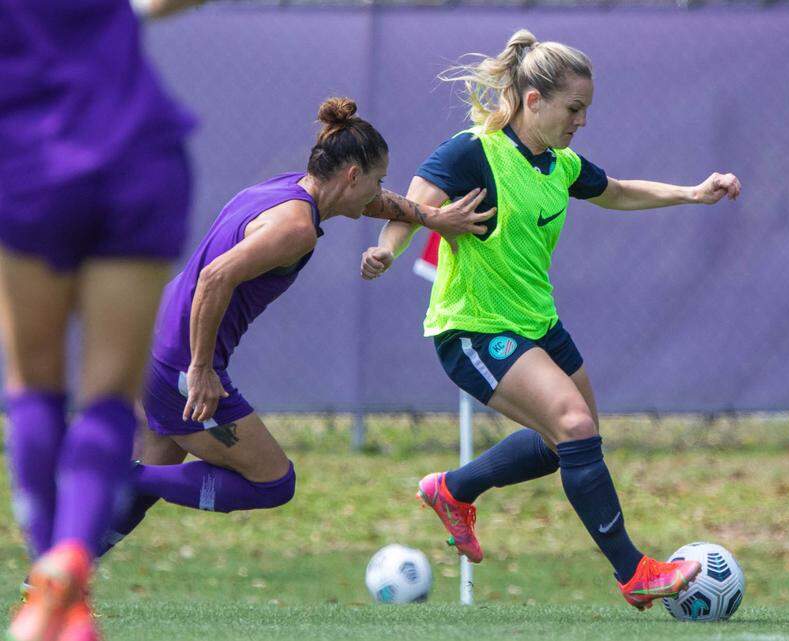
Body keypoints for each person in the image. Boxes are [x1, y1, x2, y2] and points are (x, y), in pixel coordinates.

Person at [361, 29, 741, 610]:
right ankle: (633, 572)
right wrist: (389, 249)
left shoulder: (559, 165)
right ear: (533, 100)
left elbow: (616, 191)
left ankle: (453, 490)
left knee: (571, 436)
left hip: (538, 323)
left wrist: (693, 193)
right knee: (574, 426)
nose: (582, 121)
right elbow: (411, 204)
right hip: (474, 327)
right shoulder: (472, 151)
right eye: (574, 108)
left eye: (586, 109)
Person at [95, 97, 492, 559]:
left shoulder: (288, 189)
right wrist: (201, 368)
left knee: (156, 472)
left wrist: (431, 217)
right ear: (351, 177)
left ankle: (52, 582)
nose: (379, 191)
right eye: (377, 179)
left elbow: (373, 205)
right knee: (272, 481)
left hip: (152, 333)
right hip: (182, 361)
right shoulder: (297, 229)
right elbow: (215, 277)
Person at [0, 0, 203, 637]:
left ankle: (50, 581)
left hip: (31, 159)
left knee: (35, 387)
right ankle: (70, 576)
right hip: (134, 154)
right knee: (109, 395)